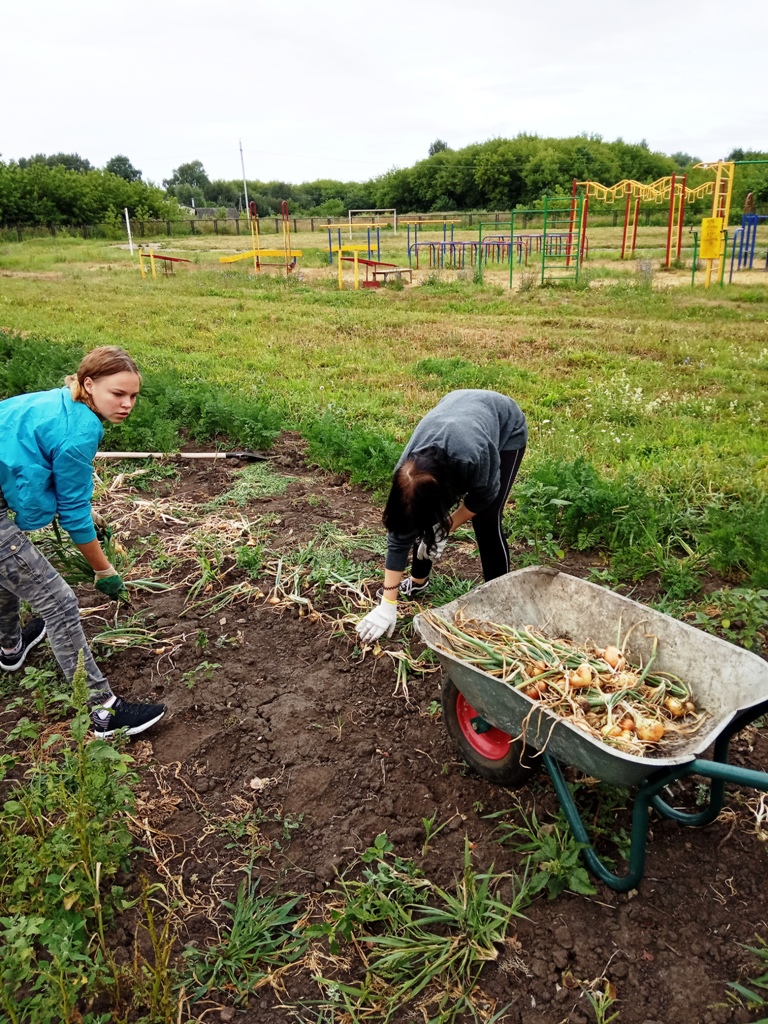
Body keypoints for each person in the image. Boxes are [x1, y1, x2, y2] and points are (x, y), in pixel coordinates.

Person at [0, 346, 167, 738]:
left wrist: (82, 512)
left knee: (6, 572)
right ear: (89, 384)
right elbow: (72, 512)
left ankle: (9, 649)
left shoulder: (54, 401)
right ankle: (103, 711)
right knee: (59, 603)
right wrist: (104, 569)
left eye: (133, 396)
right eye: (118, 394)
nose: (127, 404)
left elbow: (35, 465)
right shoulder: (82, 429)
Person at [356, 389, 527, 644]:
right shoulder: (406, 474)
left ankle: (501, 604)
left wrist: (445, 526)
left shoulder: (473, 457)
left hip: (504, 425)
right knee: (417, 516)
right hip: (456, 409)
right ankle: (418, 582)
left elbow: (484, 496)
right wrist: (387, 604)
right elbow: (401, 532)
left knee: (487, 520)